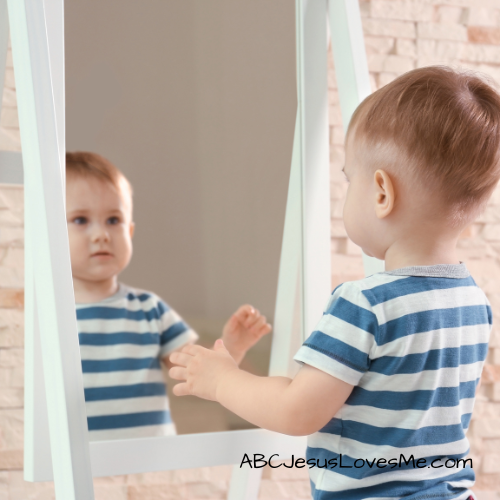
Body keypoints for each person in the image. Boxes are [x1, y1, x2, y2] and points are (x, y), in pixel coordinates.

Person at [169, 66, 498, 499]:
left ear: (381, 192)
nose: (346, 191)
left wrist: (222, 380)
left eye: (349, 179)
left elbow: (296, 410)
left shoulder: (365, 306)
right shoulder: (474, 303)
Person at [66, 151, 271, 441]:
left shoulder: (149, 309)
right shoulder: (48, 316)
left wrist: (232, 350)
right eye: (80, 220)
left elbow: (193, 373)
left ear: (131, 231)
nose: (101, 234)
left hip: (154, 463)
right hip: (79, 465)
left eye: (113, 220)